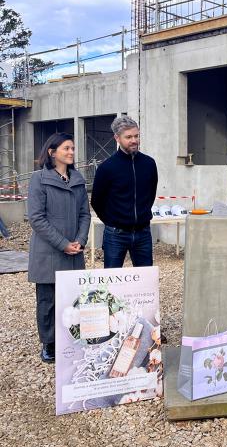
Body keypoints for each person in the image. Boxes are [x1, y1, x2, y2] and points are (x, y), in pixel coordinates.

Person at [28, 133, 90, 363]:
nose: (71, 152)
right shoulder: (39, 179)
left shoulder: (78, 179)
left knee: (73, 299)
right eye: (66, 148)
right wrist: (63, 244)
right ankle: (49, 343)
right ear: (52, 152)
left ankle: (71, 338)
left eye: (73, 148)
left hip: (74, 250)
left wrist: (80, 240)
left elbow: (85, 214)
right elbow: (36, 218)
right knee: (47, 301)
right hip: (48, 252)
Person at [90, 116, 158, 268]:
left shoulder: (149, 164)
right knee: (111, 283)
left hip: (143, 233)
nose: (134, 140)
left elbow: (150, 194)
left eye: (136, 136)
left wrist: (141, 214)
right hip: (115, 234)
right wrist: (113, 221)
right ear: (117, 138)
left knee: (145, 282)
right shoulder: (107, 168)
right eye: (128, 137)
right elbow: (96, 201)